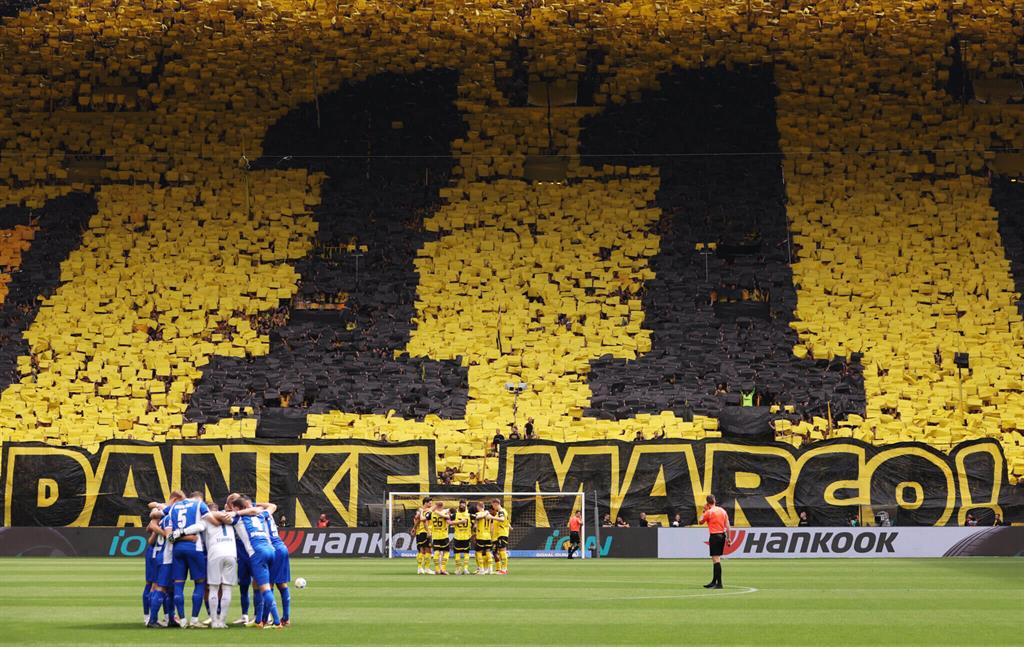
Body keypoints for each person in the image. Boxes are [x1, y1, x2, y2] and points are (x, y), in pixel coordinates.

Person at [175, 502, 237, 629]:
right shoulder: (229, 517)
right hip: (231, 553)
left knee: (213, 588)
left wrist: (180, 532)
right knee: (227, 588)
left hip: (215, 554)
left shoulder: (206, 519)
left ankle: (214, 621)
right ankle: (222, 621)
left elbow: (197, 527)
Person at [229, 496, 283, 629]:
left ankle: (277, 622)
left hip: (257, 553)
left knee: (265, 589)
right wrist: (252, 507)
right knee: (262, 586)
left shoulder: (237, 518)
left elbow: (219, 516)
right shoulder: (260, 515)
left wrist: (235, 513)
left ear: (237, 508)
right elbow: (272, 507)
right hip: (271, 550)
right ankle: (259, 620)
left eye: (233, 507)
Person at [167, 491, 210, 628]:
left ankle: (182, 620)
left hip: (177, 549)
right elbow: (208, 521)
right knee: (200, 583)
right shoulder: (199, 505)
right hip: (195, 548)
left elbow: (170, 537)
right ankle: (194, 620)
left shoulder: (174, 507)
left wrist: (179, 535)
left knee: (178, 584)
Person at [698, 494, 731, 589]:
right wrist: (729, 538)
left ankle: (719, 583)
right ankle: (714, 581)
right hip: (722, 535)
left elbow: (700, 521)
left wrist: (704, 511)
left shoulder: (709, 512)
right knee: (716, 559)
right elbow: (728, 526)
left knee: (716, 560)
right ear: (715, 501)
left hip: (714, 536)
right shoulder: (722, 511)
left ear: (707, 503)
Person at [427, 500, 451, 575]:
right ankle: (443, 569)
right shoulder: (445, 513)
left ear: (436, 506)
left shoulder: (432, 514)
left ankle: (437, 569)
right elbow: (449, 521)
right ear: (442, 506)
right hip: (444, 535)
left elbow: (426, 516)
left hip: (435, 536)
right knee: (446, 552)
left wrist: (433, 509)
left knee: (436, 552)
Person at [450, 499, 473, 575]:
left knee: (458, 553)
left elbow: (448, 521)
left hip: (459, 537)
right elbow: (478, 517)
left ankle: (459, 569)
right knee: (466, 553)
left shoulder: (455, 515)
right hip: (465, 536)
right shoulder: (469, 515)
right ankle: (464, 569)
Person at [412, 497, 433, 575]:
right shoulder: (427, 511)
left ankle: (420, 568)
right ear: (425, 503)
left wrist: (414, 528)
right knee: (428, 551)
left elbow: (417, 519)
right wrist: (428, 531)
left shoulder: (420, 510)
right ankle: (426, 569)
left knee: (421, 551)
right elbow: (423, 521)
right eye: (430, 503)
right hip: (425, 532)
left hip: (419, 532)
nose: (431, 504)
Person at [490, 498, 510, 575]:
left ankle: (504, 569)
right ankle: (503, 569)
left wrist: (491, 517)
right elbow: (506, 521)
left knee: (502, 551)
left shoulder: (501, 511)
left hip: (502, 533)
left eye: (493, 505)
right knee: (500, 551)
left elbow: (502, 519)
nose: (493, 507)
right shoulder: (501, 512)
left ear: (496, 504)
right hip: (500, 534)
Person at [473, 502, 495, 575]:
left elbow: (475, 526)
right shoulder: (489, 515)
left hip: (481, 536)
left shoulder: (478, 514)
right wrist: (491, 536)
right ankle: (490, 569)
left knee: (479, 552)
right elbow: (492, 527)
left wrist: (474, 529)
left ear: (478, 507)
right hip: (488, 536)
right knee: (488, 552)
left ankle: (481, 569)